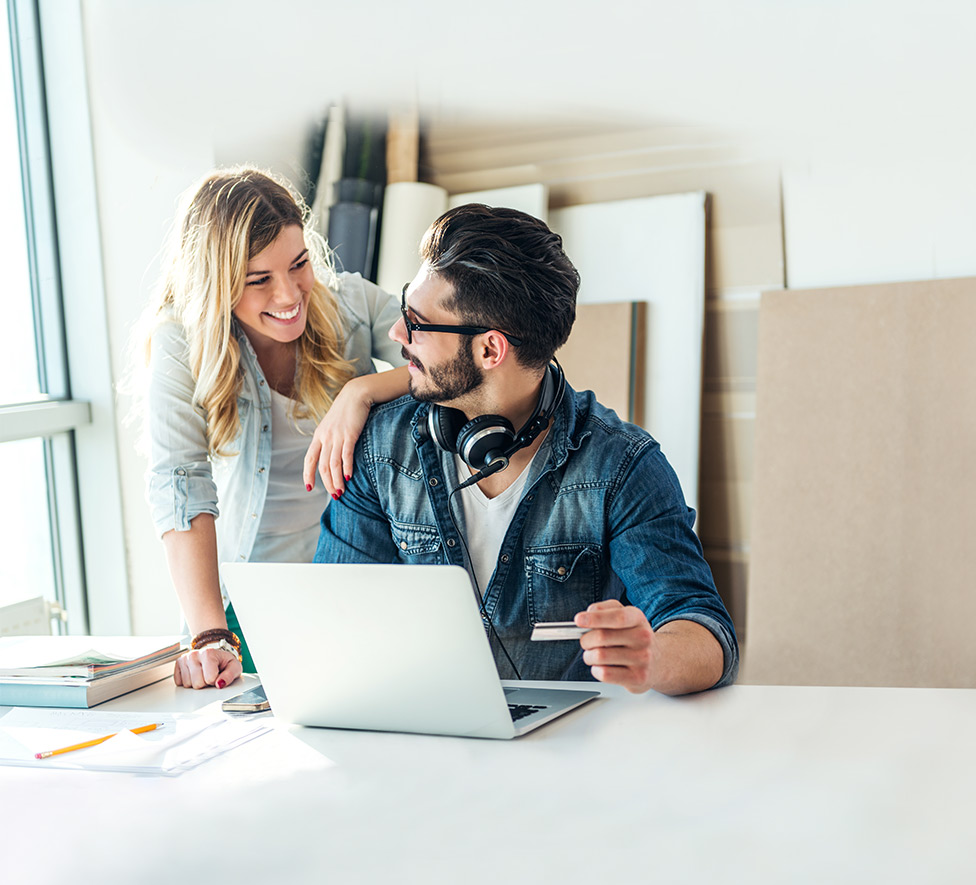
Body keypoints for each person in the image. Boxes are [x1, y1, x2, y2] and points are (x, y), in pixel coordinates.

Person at [315, 204, 737, 694]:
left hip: (562, 758)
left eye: (417, 322)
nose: (395, 334)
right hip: (421, 741)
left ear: (490, 350)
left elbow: (706, 633)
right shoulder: (378, 448)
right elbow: (334, 620)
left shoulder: (621, 466)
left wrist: (654, 655)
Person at [140, 167, 410, 691]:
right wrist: (209, 635)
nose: (289, 295)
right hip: (248, 606)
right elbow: (180, 484)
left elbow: (451, 362)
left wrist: (362, 391)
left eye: (299, 264)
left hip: (356, 583)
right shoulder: (182, 340)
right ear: (217, 285)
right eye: (258, 280)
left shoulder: (351, 304)